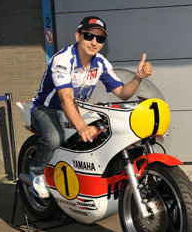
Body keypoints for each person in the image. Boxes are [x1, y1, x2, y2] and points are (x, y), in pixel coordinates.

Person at [29, 16, 153, 198]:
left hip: (76, 108)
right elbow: (66, 98)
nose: (94, 42)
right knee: (54, 138)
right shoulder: (63, 60)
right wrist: (82, 127)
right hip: (47, 109)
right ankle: (37, 172)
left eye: (100, 38)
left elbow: (123, 93)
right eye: (88, 36)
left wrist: (138, 77)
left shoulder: (100, 63)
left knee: (104, 131)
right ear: (78, 36)